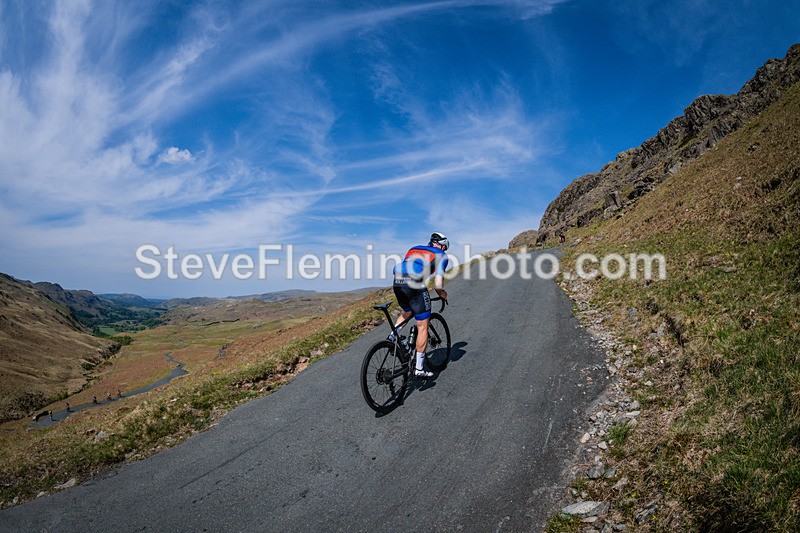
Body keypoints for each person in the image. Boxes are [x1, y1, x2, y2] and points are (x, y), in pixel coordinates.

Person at [391, 232, 450, 378]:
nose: (444, 250)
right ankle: (419, 368)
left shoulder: (414, 249)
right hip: (414, 283)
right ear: (442, 245)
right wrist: (442, 293)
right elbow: (438, 284)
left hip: (397, 282)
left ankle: (391, 338)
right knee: (422, 325)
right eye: (444, 247)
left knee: (408, 311)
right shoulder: (441, 255)